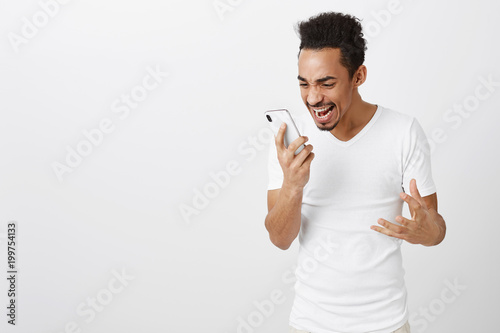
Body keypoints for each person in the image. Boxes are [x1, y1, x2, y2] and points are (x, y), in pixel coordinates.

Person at [265, 12, 446, 333]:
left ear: (358, 76)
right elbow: (280, 239)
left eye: (326, 83)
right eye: (304, 83)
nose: (313, 97)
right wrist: (293, 186)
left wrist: (425, 231)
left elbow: (435, 231)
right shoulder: (289, 141)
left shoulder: (403, 131)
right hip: (310, 324)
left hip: (386, 324)